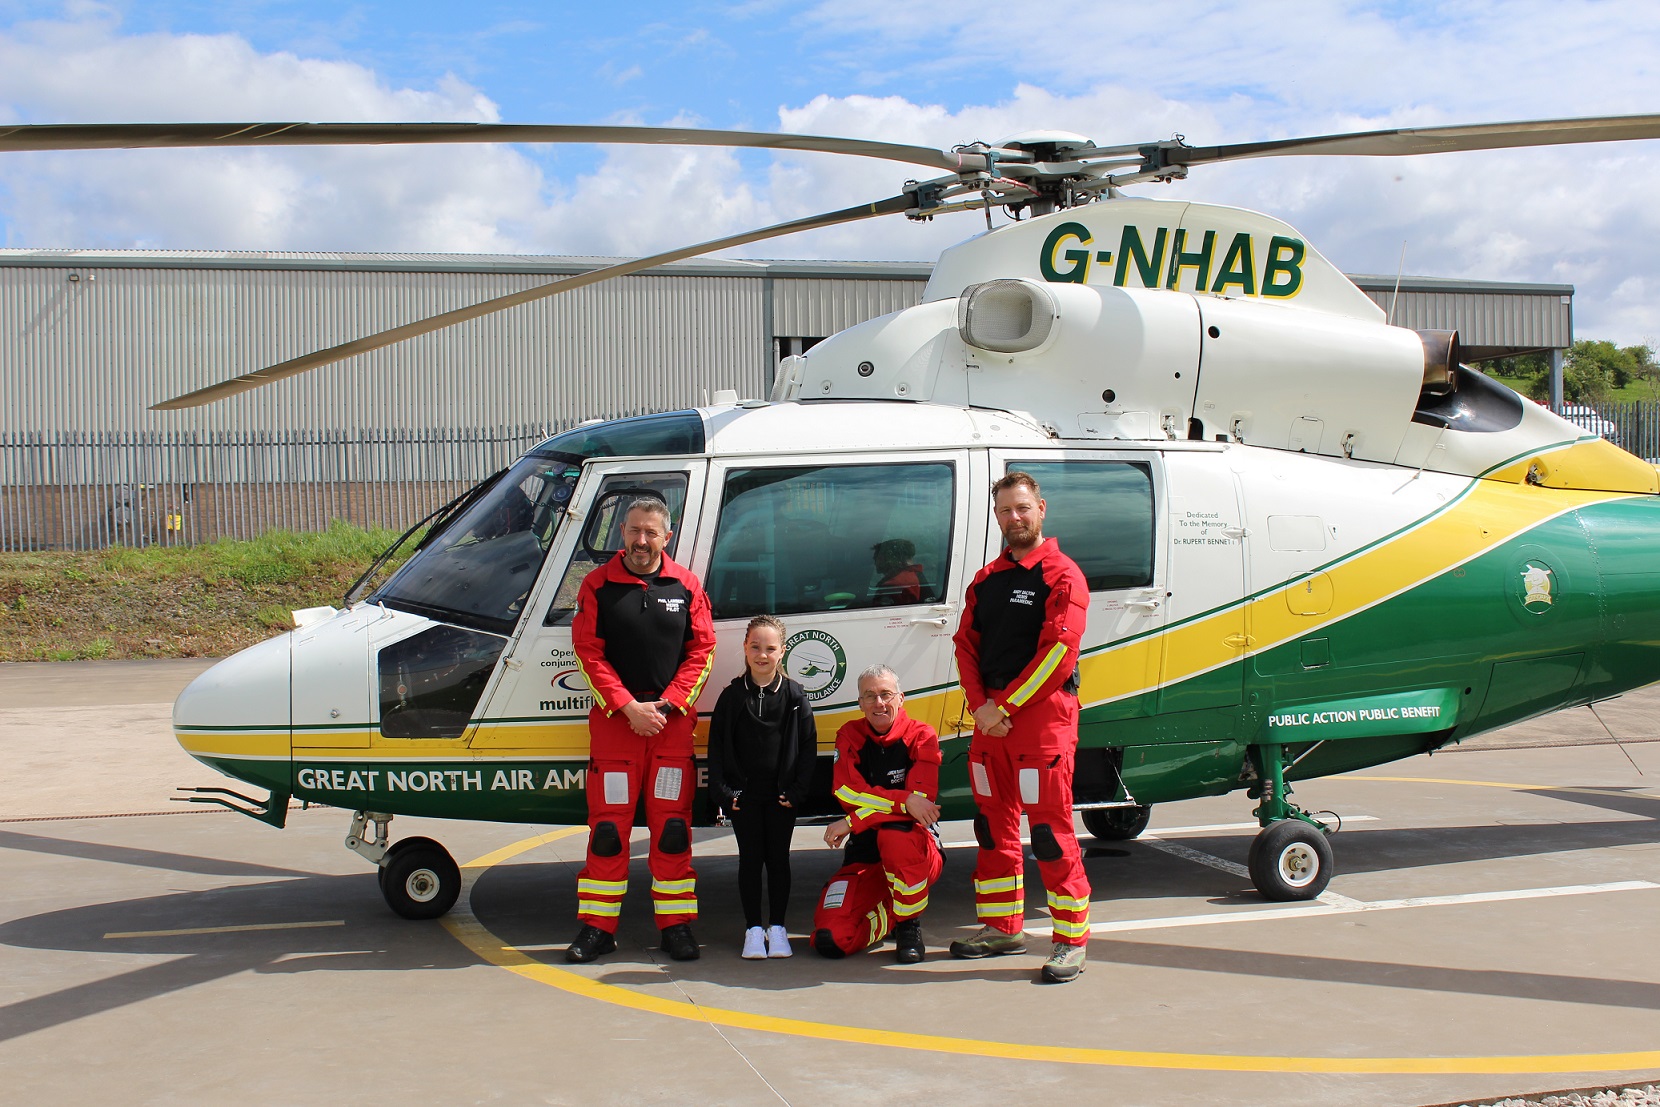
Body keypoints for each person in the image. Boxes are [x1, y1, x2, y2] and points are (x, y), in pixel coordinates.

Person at [949, 471, 1092, 983]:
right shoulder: (986, 580)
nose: (1015, 518)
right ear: (996, 516)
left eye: (1023, 508)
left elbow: (1059, 651)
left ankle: (1069, 942)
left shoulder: (1062, 575)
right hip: (991, 723)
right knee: (992, 828)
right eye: (1006, 510)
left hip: (1041, 723)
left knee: (1050, 833)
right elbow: (965, 645)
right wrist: (980, 705)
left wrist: (1002, 708)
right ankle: (1002, 928)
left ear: (1041, 509)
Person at [566, 497, 715, 964]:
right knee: (608, 832)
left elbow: (703, 650)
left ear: (666, 537)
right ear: (622, 533)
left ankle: (676, 928)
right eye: (633, 531)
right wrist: (628, 707)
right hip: (617, 731)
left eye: (651, 532)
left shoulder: (686, 585)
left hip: (670, 732)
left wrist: (668, 705)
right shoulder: (597, 585)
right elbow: (588, 652)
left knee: (673, 831)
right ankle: (597, 929)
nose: (641, 541)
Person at [813, 665, 943, 963]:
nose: (878, 703)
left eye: (886, 694)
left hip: (917, 853)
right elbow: (846, 792)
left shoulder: (923, 735)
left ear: (901, 698)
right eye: (869, 696)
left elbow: (921, 807)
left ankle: (909, 924)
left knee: (895, 835)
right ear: (860, 703)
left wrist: (855, 820)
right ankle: (893, 917)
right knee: (831, 939)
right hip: (864, 855)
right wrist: (904, 799)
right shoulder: (849, 733)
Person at [706, 614, 818, 960]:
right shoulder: (730, 698)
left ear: (782, 652)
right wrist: (725, 794)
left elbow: (808, 749)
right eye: (755, 646)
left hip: (781, 798)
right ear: (745, 647)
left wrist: (796, 791)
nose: (762, 655)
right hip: (745, 799)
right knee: (751, 861)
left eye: (770, 648)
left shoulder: (795, 696)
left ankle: (778, 928)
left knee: (779, 861)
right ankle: (753, 929)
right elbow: (717, 750)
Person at [870, 538, 926, 606]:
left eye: (877, 556)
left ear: (891, 557)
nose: (875, 561)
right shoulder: (916, 575)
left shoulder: (892, 586)